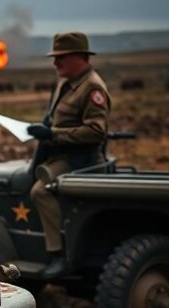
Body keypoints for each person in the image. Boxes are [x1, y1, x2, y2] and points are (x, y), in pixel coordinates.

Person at [28, 32, 110, 278]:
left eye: (61, 57)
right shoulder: (66, 82)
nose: (55, 63)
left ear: (79, 57)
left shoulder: (92, 87)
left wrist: (52, 134)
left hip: (79, 160)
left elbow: (96, 131)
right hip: (60, 156)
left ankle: (58, 254)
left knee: (40, 192)